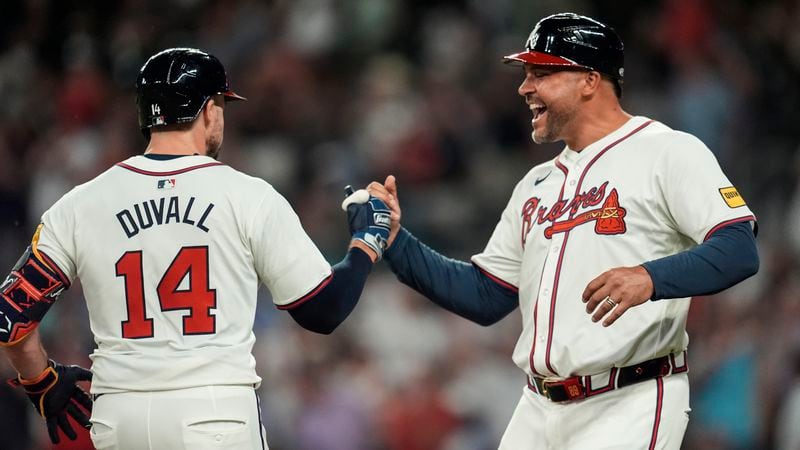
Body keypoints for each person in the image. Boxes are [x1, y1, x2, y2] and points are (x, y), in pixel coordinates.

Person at [364, 13, 759, 449]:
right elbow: (485, 295)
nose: (524, 87)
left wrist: (650, 277)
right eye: (527, 74)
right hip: (538, 406)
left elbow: (738, 248)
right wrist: (395, 242)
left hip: (629, 399)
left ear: (589, 80)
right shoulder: (536, 184)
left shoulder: (668, 152)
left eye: (541, 73)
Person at [0, 48, 390, 449]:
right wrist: (366, 244)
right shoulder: (247, 195)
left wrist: (40, 381)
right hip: (214, 413)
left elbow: (9, 317)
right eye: (220, 104)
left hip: (120, 418)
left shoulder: (80, 204)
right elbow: (322, 312)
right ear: (208, 110)